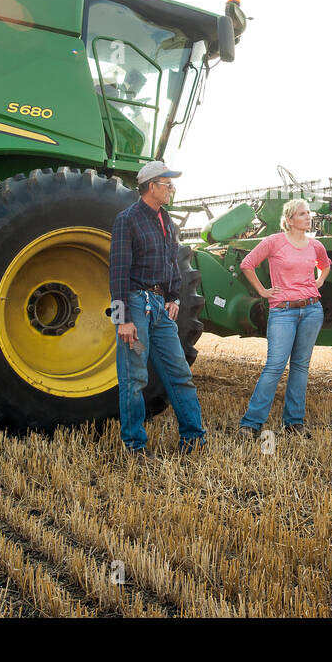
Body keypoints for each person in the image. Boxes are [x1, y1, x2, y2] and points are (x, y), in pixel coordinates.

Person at [109, 160, 206, 459]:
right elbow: (118, 271)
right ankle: (135, 447)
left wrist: (175, 297)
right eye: (167, 184)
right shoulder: (128, 219)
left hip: (161, 309)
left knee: (180, 374)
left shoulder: (169, 223)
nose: (171, 189)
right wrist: (122, 318)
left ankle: (194, 440)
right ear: (151, 186)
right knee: (134, 378)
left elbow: (171, 264)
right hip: (136, 307)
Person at [238, 199, 332, 438]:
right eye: (302, 214)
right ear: (289, 220)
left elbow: (326, 265)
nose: (308, 217)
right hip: (283, 312)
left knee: (300, 367)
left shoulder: (315, 245)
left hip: (312, 310)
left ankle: (294, 423)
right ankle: (251, 424)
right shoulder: (274, 242)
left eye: (309, 213)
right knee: (275, 367)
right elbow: (247, 264)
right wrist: (263, 291)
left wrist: (319, 281)